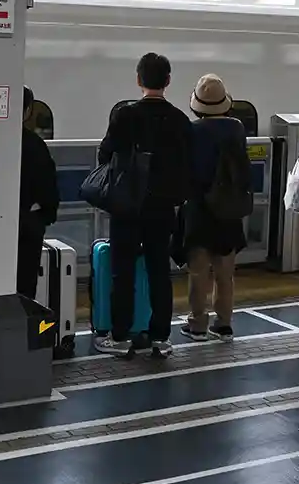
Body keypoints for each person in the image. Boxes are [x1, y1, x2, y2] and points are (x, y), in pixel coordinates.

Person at [95, 53, 193, 357]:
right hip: (162, 207)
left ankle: (120, 335)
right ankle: (160, 336)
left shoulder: (124, 115)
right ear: (167, 81)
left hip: (127, 205)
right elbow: (187, 165)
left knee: (121, 271)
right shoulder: (180, 120)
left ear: (139, 80)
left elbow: (105, 154)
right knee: (158, 270)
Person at [180, 74, 251, 343]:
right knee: (225, 274)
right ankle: (224, 325)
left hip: (199, 210)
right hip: (229, 211)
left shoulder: (192, 131)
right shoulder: (237, 128)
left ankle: (197, 324)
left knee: (198, 272)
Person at [17, 87, 60, 299]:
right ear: (27, 112)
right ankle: (24, 327)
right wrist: (46, 215)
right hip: (29, 223)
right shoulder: (35, 144)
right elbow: (48, 184)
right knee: (25, 284)